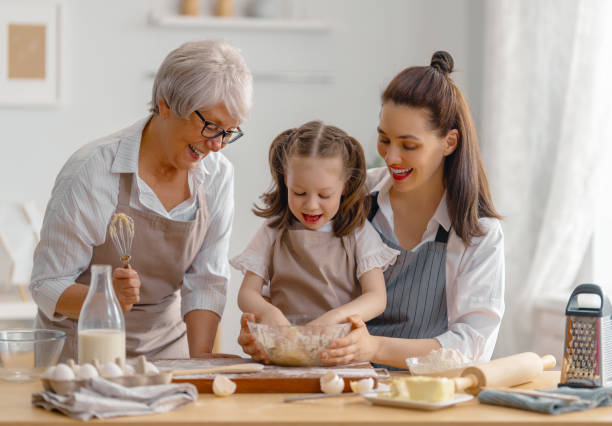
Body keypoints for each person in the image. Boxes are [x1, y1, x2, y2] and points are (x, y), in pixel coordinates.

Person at [239, 51, 504, 369]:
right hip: (339, 380)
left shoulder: (478, 233)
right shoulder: (349, 197)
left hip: (421, 393)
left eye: (408, 145)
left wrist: (373, 348)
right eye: (383, 139)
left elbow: (472, 346)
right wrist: (264, 334)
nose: (391, 157)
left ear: (449, 142)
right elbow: (289, 279)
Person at [30, 40, 253, 361]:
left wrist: (201, 359)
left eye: (229, 132)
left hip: (168, 352)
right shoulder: (93, 170)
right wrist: (102, 298)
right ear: (165, 104)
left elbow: (206, 279)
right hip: (83, 354)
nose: (217, 145)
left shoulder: (218, 174)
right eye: (211, 126)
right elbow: (46, 284)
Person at [231, 121, 398, 328]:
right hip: (284, 348)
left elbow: (376, 298)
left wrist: (332, 319)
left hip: (341, 352)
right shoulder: (272, 230)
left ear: (345, 185)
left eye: (324, 195)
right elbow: (247, 294)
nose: (311, 205)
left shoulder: (359, 233)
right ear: (285, 181)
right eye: (299, 193)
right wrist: (269, 313)